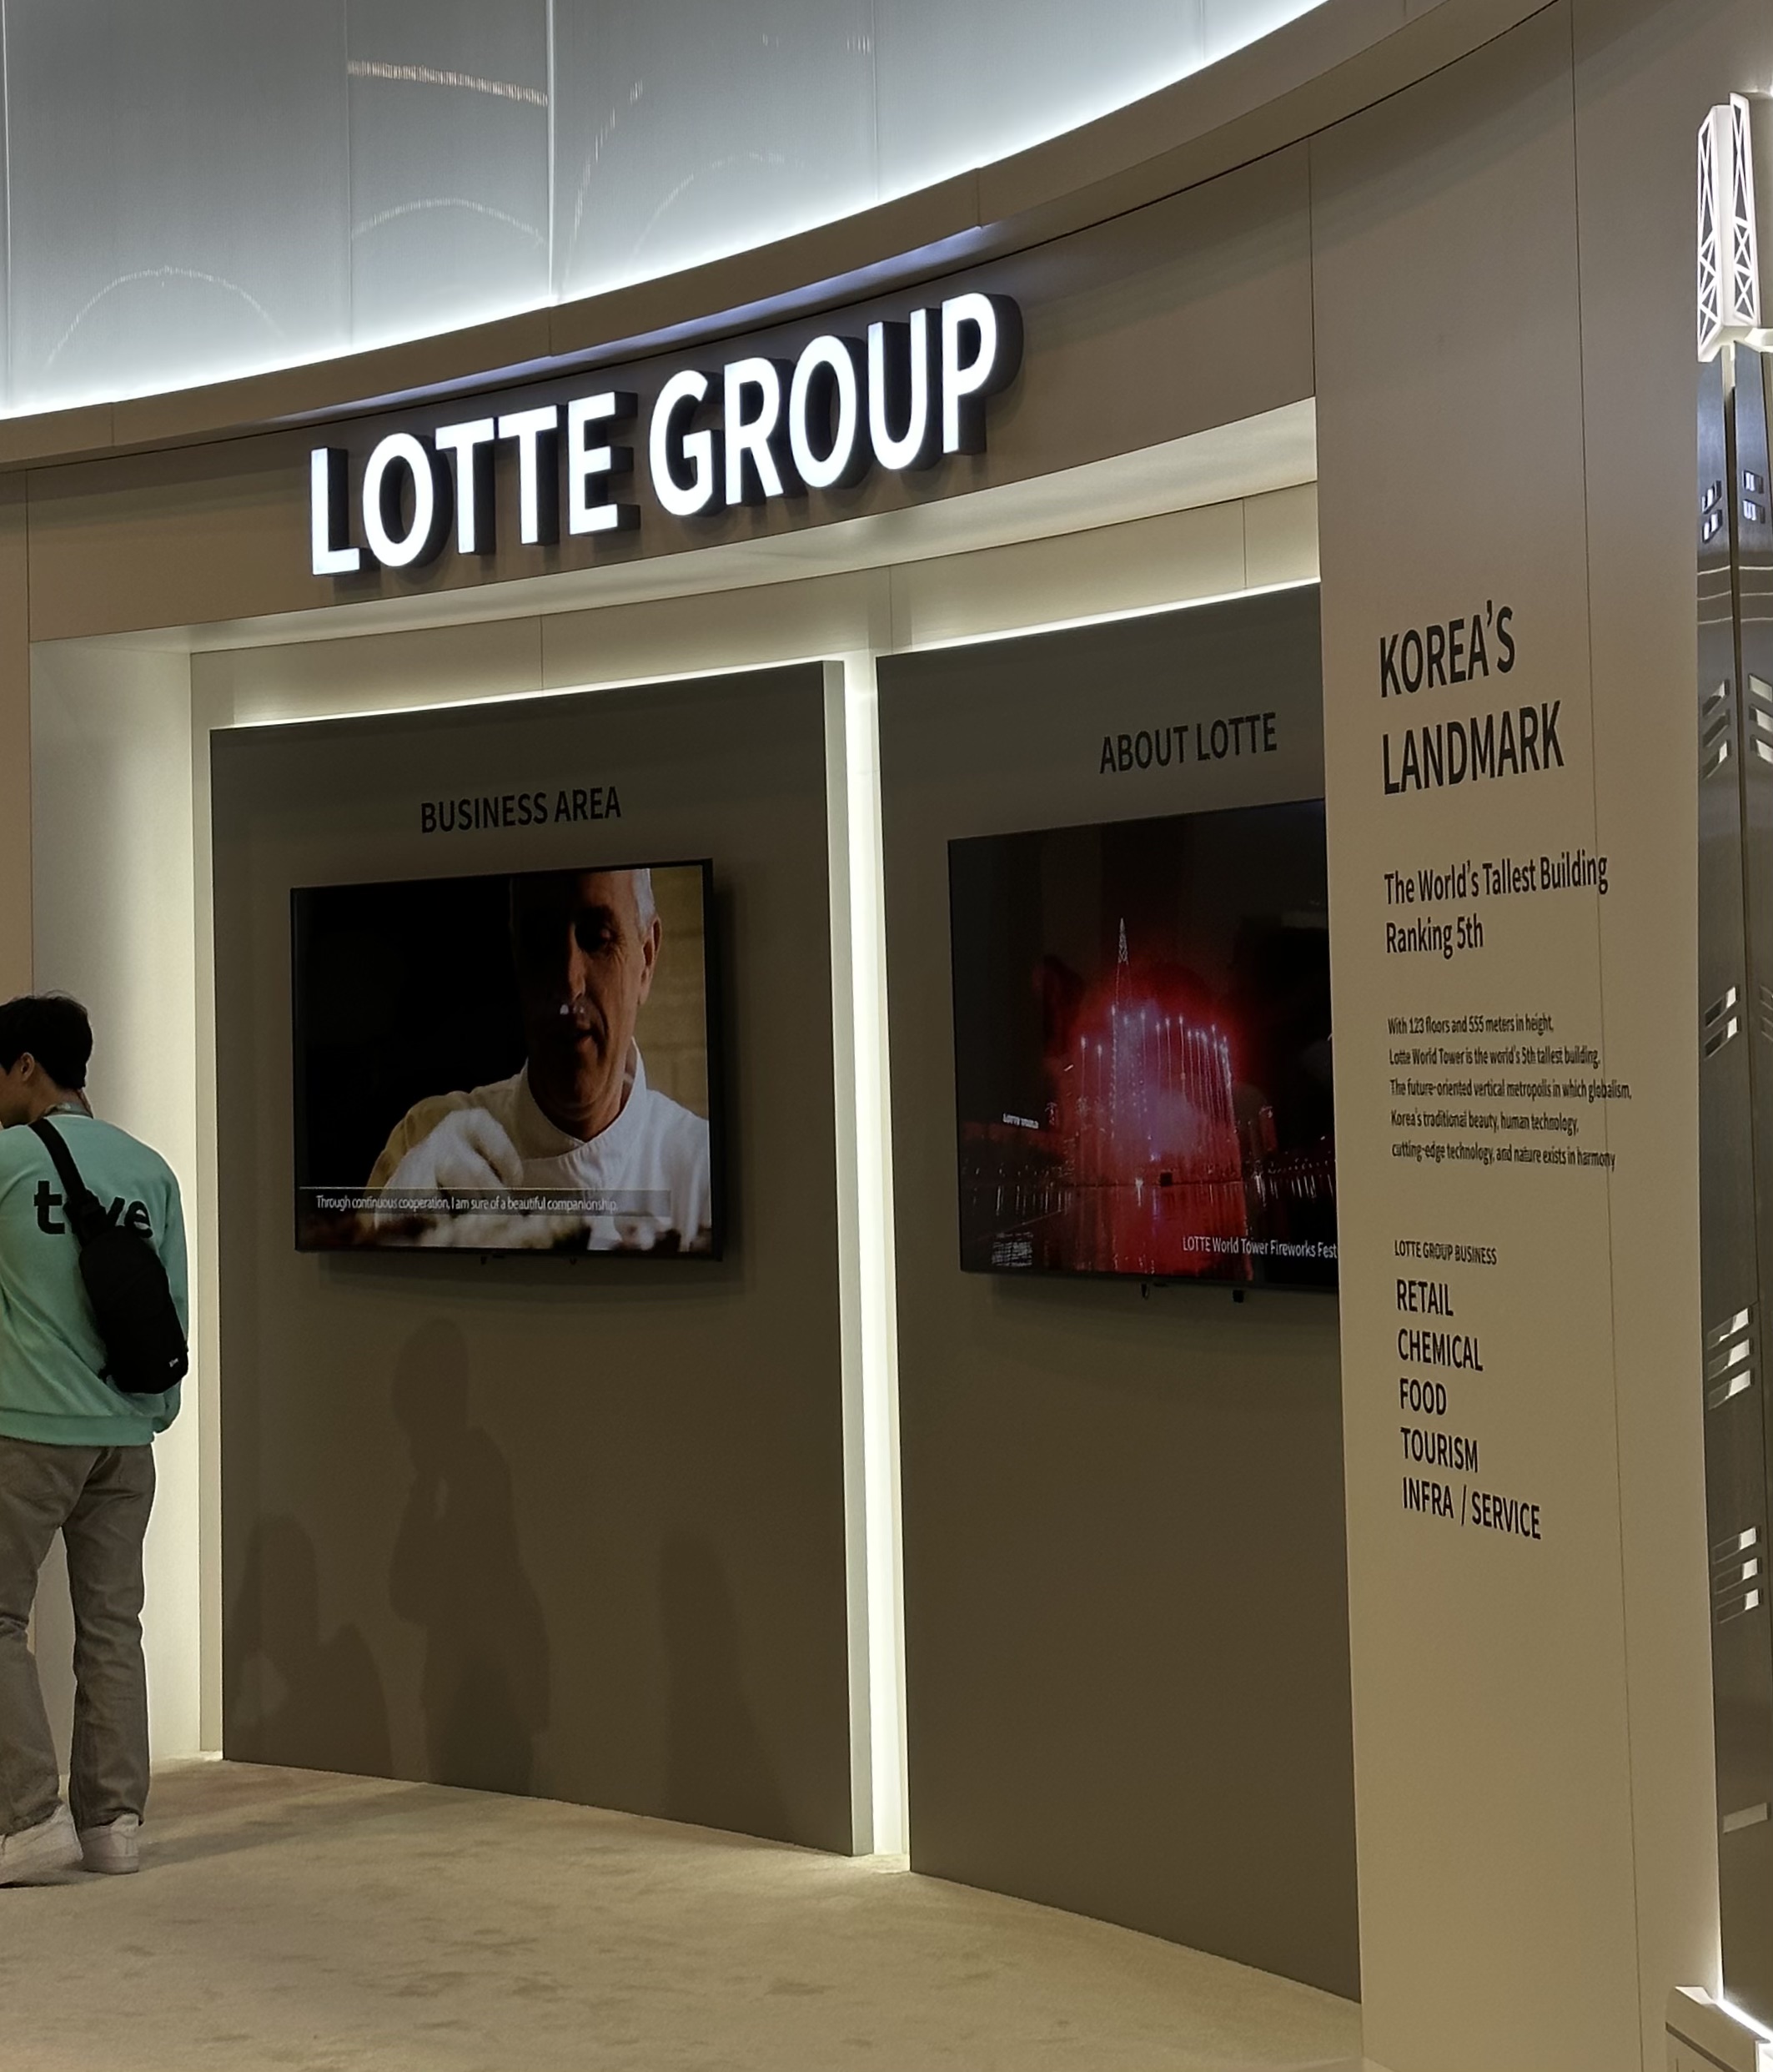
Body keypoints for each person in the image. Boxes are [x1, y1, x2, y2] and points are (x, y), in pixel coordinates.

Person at [0, 993, 186, 1886]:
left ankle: (27, 1815)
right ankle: (113, 1824)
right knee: (113, 1626)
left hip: (25, 1432)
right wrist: (146, 1418)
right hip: (124, 1435)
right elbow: (170, 1313)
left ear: (26, 1067)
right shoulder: (150, 1170)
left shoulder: (4, 1163)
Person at [369, 867, 712, 1252]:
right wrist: (391, 1229)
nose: (570, 982)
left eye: (598, 939)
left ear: (645, 960)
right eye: (541, 940)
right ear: (517, 957)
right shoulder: (425, 1137)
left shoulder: (707, 1172)